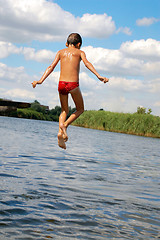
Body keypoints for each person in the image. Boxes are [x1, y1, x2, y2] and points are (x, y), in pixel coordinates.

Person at [32, 33, 109, 149]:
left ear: (66, 44)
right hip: (73, 85)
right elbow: (87, 64)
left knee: (64, 111)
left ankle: (60, 133)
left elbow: (51, 67)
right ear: (78, 44)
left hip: (61, 84)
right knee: (80, 109)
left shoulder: (60, 52)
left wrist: (40, 81)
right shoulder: (80, 52)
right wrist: (99, 76)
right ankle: (65, 125)